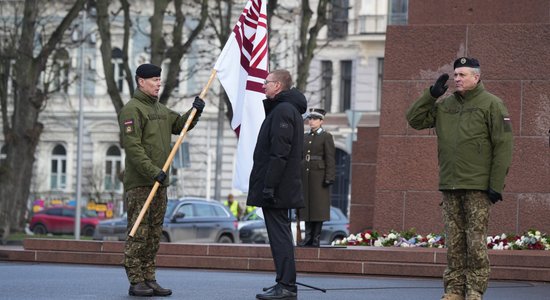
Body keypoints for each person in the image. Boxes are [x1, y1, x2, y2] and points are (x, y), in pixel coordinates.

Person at [406, 57, 513, 300]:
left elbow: (504, 145)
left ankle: (474, 290)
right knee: (454, 243)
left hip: (477, 186)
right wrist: (430, 95)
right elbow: (413, 120)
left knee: (474, 243)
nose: (456, 79)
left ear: (476, 77)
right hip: (450, 184)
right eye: (455, 75)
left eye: (462, 75)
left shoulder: (492, 104)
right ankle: (454, 289)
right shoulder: (446, 106)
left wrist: (495, 185)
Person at [119, 63, 205, 297]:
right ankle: (135, 279)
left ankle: (149, 277)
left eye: (159, 79)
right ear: (141, 81)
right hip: (141, 183)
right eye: (154, 80)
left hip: (160, 183)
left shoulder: (160, 109)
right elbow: (133, 147)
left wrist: (195, 111)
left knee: (154, 233)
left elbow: (180, 125)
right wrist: (152, 170)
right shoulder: (132, 110)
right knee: (140, 231)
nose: (159, 83)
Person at [247, 69, 307, 300]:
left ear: (278, 86)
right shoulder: (286, 110)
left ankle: (286, 286)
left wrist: (269, 187)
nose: (263, 86)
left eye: (267, 83)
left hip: (278, 188)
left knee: (280, 237)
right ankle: (283, 282)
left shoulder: (283, 111)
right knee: (280, 235)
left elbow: (279, 153)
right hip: (281, 186)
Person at [298, 108, 336, 247]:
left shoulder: (326, 136)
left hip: (319, 177)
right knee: (306, 207)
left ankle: (315, 239)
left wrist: (329, 177)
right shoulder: (305, 136)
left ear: (321, 121)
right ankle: (307, 237)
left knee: (318, 208)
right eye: (310, 119)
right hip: (305, 176)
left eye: (314, 119)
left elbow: (330, 158)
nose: (311, 121)